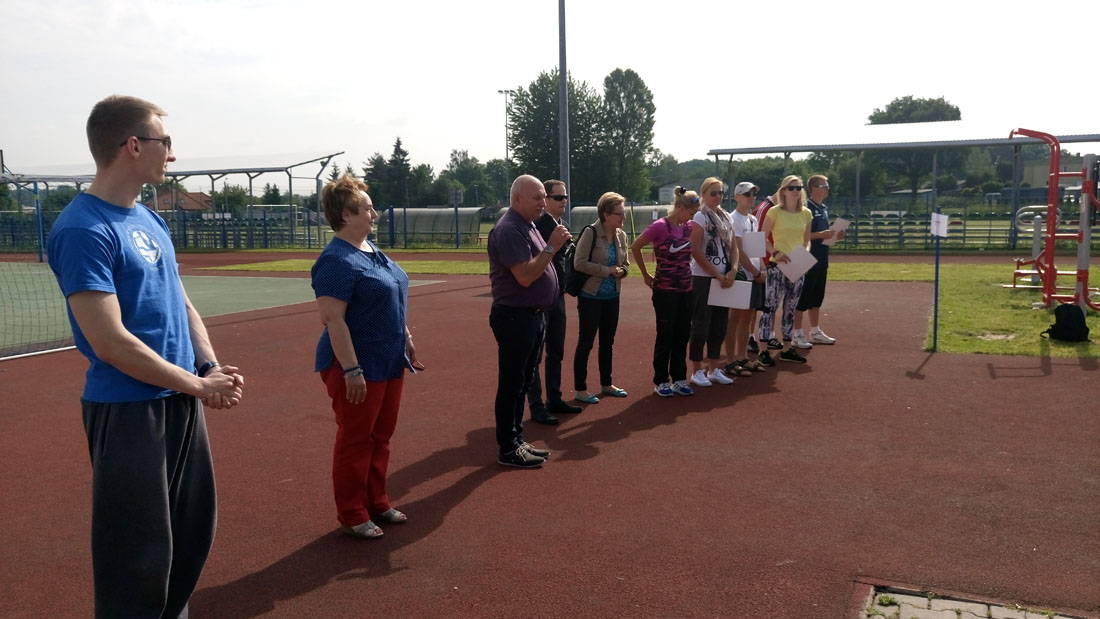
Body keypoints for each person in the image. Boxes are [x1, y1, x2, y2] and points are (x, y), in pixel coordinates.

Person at [46, 95, 244, 618]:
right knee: (136, 558)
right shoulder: (83, 229)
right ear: (133, 146)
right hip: (129, 410)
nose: (172, 154)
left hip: (178, 397)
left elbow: (181, 301)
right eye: (165, 142)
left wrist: (208, 366)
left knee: (190, 534)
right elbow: (109, 342)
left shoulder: (150, 220)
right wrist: (197, 385)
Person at [312, 173, 425, 539]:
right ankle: (352, 513)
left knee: (381, 436)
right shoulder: (336, 260)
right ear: (346, 215)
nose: (374, 214)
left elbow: (390, 296)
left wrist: (406, 336)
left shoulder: (371, 251)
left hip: (388, 360)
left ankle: (377, 501)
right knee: (357, 439)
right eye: (367, 209)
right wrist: (351, 369)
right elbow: (333, 319)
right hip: (356, 364)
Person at [488, 174, 572, 468]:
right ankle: (508, 448)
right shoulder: (510, 229)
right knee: (512, 384)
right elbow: (524, 276)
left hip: (532, 316)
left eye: (544, 198)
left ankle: (516, 440)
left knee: (522, 382)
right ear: (517, 199)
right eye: (537, 198)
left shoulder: (529, 225)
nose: (543, 203)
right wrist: (551, 247)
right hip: (515, 317)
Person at [631, 187, 700, 397]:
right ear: (680, 208)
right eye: (691, 213)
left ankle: (679, 379)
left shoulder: (689, 227)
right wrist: (645, 274)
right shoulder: (660, 227)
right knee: (665, 335)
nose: (692, 217)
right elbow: (636, 246)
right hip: (665, 291)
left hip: (686, 289)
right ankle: (661, 381)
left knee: (682, 335)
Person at [526, 179, 582, 424]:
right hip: (540, 298)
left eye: (565, 197)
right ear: (546, 200)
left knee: (556, 350)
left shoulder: (563, 225)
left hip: (558, 296)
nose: (564, 201)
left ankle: (555, 398)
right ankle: (536, 405)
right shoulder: (537, 226)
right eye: (558, 197)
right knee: (535, 355)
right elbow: (532, 260)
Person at [571, 191, 631, 403]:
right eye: (619, 214)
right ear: (606, 214)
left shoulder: (621, 235)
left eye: (623, 213)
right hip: (590, 296)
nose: (623, 217)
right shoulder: (591, 233)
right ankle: (580, 389)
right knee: (586, 342)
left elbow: (625, 263)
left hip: (612, 296)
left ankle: (607, 384)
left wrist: (622, 271)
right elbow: (579, 263)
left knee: (607, 342)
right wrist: (607, 271)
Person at [757, 175, 814, 364]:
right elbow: (762, 237)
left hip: (797, 266)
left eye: (798, 188)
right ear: (783, 191)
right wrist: (775, 252)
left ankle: (787, 348)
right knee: (770, 308)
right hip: (777, 266)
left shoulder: (806, 213)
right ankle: (763, 350)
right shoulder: (774, 212)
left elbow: (807, 241)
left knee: (790, 308)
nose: (795, 191)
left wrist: (804, 255)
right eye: (791, 188)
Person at [688, 177, 737, 387]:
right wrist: (716, 274)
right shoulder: (700, 217)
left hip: (723, 277)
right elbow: (695, 250)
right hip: (703, 278)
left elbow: (734, 247)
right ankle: (696, 370)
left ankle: (714, 368)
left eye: (721, 193)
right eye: (713, 193)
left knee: (719, 324)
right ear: (704, 195)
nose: (718, 197)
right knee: (701, 324)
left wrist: (733, 270)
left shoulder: (726, 217)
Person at [791, 174, 843, 348]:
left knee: (817, 298)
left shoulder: (824, 208)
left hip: (821, 258)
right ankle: (797, 333)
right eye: (824, 186)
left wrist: (835, 235)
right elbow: (800, 235)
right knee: (802, 298)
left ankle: (815, 331)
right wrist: (820, 235)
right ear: (814, 188)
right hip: (806, 258)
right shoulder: (806, 208)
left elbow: (823, 235)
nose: (828, 189)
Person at [724, 181, 768, 376]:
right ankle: (730, 360)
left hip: (754, 274)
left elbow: (756, 248)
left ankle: (742, 356)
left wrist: (762, 268)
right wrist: (756, 272)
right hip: (742, 274)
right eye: (747, 194)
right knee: (734, 317)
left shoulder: (752, 219)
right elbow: (738, 251)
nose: (752, 197)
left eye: (753, 194)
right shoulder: (733, 219)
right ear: (736, 197)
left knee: (747, 318)